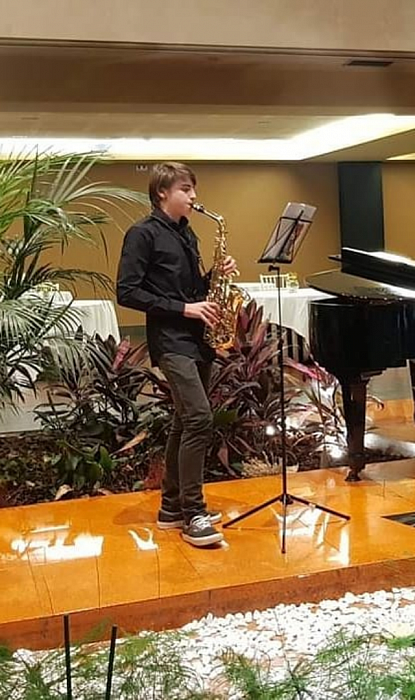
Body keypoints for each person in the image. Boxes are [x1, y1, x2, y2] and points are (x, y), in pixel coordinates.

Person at [116, 162, 237, 548]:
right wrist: (185, 309)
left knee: (185, 422)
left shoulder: (188, 235)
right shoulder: (142, 234)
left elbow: (190, 290)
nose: (194, 196)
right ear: (162, 192)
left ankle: (171, 508)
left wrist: (213, 278)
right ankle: (193, 513)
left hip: (197, 338)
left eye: (193, 189)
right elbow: (127, 292)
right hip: (170, 339)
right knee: (200, 418)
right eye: (186, 189)